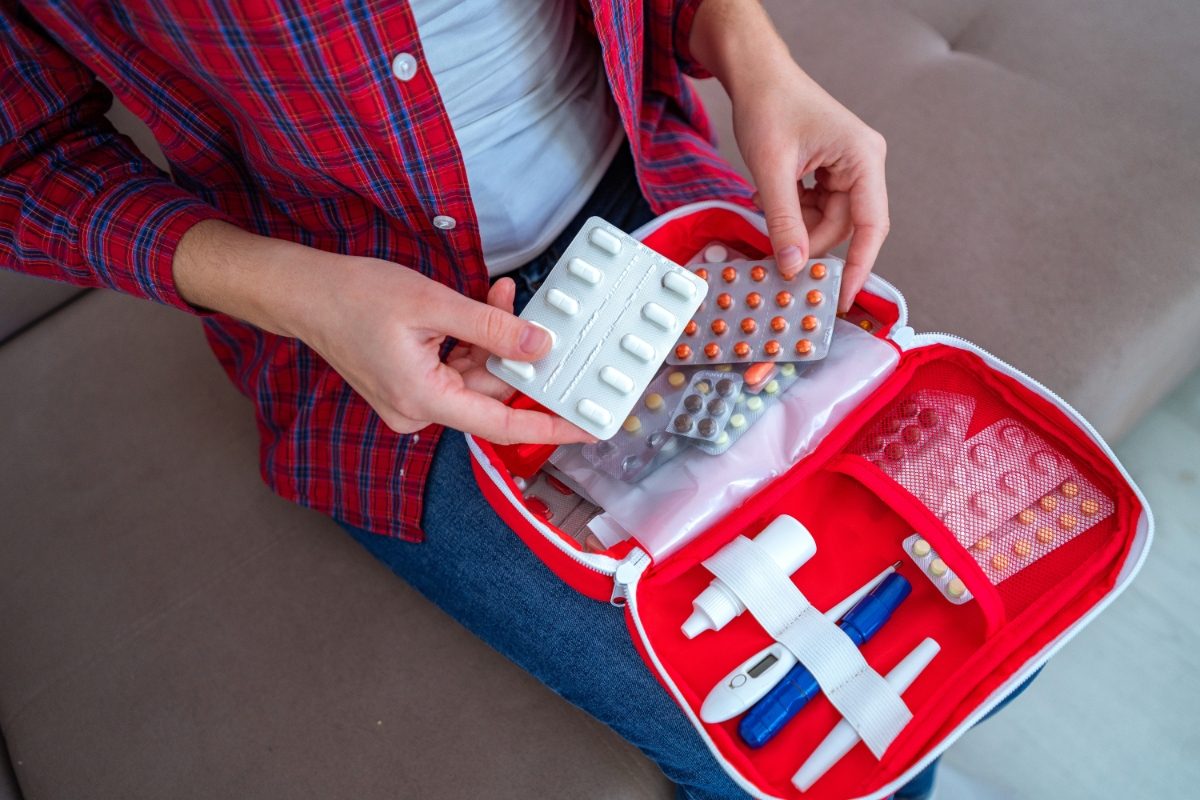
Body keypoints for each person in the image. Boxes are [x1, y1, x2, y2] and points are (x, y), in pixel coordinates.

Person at [1, 1, 912, 797]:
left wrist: (754, 53)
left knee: (914, 640)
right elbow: (21, 160)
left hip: (656, 191)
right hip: (355, 322)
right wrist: (298, 296)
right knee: (799, 753)